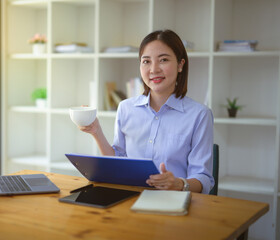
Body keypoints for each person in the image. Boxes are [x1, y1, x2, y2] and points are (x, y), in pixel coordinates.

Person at [79, 29, 214, 194]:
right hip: (129, 198)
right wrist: (96, 131)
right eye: (146, 61)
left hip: (174, 202)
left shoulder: (199, 115)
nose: (154, 69)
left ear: (180, 65)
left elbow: (203, 178)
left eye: (163, 60)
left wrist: (179, 184)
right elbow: (118, 162)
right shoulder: (126, 108)